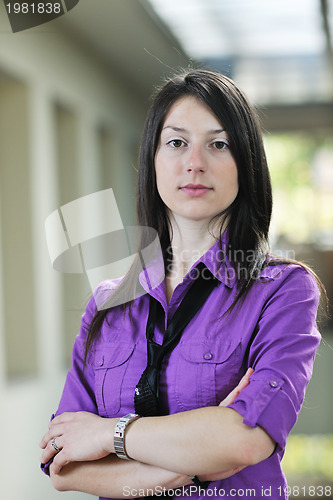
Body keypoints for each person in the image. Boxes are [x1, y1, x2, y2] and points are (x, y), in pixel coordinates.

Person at [40, 69, 324, 500]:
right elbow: (63, 466)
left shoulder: (283, 290)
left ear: (245, 165)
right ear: (153, 160)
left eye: (218, 144)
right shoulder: (108, 304)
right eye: (176, 142)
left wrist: (108, 434)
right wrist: (191, 468)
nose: (195, 162)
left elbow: (245, 441)